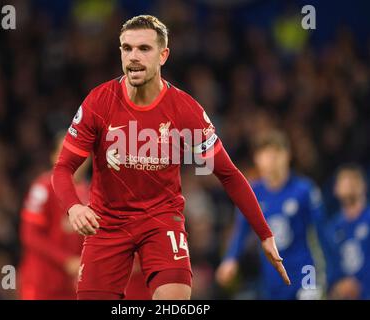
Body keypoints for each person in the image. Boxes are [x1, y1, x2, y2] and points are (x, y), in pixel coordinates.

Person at [52, 15, 289, 300]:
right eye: (127, 49)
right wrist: (74, 208)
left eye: (144, 48)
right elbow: (63, 167)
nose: (134, 57)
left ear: (163, 55)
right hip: (108, 223)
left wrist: (264, 233)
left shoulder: (184, 110)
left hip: (161, 221)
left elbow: (228, 174)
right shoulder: (99, 101)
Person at [216, 130, 325, 299]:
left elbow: (321, 232)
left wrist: (327, 270)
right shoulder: (253, 193)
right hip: (272, 277)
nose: (272, 159)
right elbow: (241, 230)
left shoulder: (304, 190)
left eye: (277, 153)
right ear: (257, 159)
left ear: (287, 155)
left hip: (305, 272)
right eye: (266, 153)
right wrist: (230, 259)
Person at [18, 133, 89, 299]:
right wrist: (66, 260)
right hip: (41, 283)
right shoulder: (42, 188)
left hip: (70, 286)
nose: (76, 159)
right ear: (54, 156)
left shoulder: (90, 193)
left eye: (83, 153)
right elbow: (29, 235)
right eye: (66, 152)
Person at [326, 164, 370, 299]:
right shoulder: (332, 228)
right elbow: (330, 266)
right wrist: (338, 287)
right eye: (343, 180)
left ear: (364, 185)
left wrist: (362, 284)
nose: (348, 183)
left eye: (353, 179)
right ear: (335, 189)